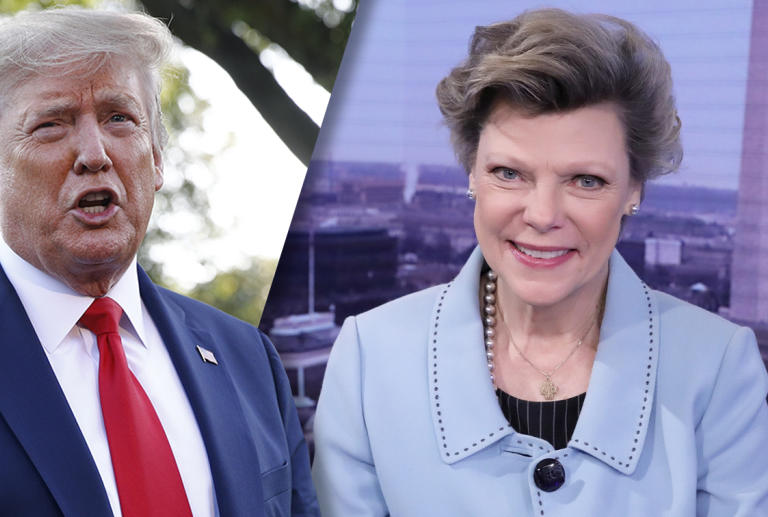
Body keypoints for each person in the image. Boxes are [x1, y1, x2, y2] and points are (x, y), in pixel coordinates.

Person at [0, 8, 318, 517]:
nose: (94, 153)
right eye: (52, 125)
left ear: (158, 157)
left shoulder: (247, 358)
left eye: (120, 117)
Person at [312, 8, 768, 516]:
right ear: (470, 175)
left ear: (634, 190)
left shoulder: (719, 366)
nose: (543, 214)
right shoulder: (369, 358)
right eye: (508, 173)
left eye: (585, 180)